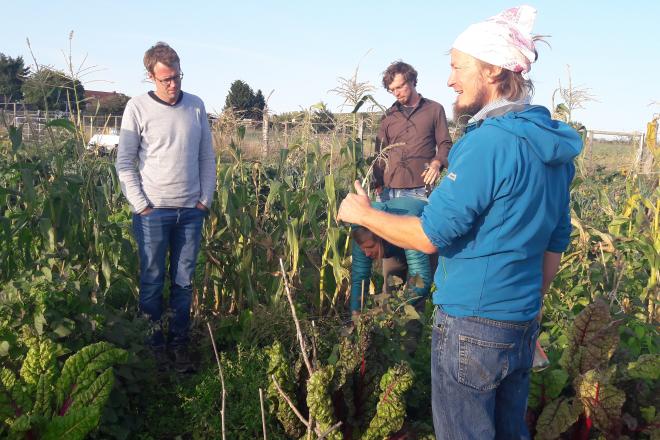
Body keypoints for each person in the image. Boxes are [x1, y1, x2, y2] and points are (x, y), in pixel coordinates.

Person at [337, 5, 582, 438]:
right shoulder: (553, 147)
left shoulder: (486, 144)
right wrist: (527, 314)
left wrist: (363, 214)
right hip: (521, 322)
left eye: (456, 66)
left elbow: (429, 237)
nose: (450, 79)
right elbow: (554, 243)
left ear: (491, 71)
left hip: (472, 323)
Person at [116, 42, 216, 373]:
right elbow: (125, 162)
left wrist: (205, 200)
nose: (173, 85)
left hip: (190, 211)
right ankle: (153, 348)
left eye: (177, 77)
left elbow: (206, 158)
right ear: (151, 77)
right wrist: (141, 205)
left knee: (184, 283)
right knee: (152, 281)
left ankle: (179, 345)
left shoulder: (197, 107)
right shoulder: (137, 108)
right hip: (153, 214)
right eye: (166, 80)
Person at [373, 61, 452, 201]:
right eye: (392, 90)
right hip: (388, 190)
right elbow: (380, 152)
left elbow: (445, 143)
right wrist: (377, 182)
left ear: (412, 81)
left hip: (420, 189)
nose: (396, 93)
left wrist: (436, 163)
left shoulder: (434, 109)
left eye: (400, 87)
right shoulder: (388, 115)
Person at [350, 197, 432, 315]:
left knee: (414, 301)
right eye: (364, 249)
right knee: (389, 288)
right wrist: (355, 314)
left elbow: (421, 278)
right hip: (391, 246)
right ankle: (390, 327)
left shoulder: (407, 226)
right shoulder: (361, 235)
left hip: (419, 235)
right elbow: (359, 279)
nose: (367, 253)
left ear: (381, 235)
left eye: (371, 247)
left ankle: (411, 330)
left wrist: (397, 308)